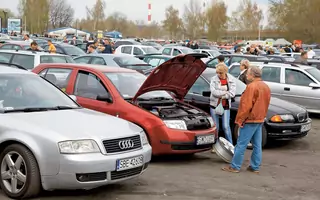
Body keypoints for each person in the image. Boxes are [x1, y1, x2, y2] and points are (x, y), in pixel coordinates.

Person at [222, 65, 271, 174]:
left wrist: (240, 120)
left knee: (241, 144)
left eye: (248, 73)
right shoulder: (265, 86)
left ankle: (235, 166)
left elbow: (246, 106)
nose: (246, 75)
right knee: (257, 145)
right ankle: (255, 167)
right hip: (259, 119)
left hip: (250, 119)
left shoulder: (251, 87)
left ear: (252, 75)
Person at [209, 63, 236, 144]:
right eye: (217, 72)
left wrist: (223, 96)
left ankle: (230, 145)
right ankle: (216, 145)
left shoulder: (231, 79)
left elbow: (232, 94)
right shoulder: (214, 79)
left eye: (220, 73)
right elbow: (213, 92)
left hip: (226, 106)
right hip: (214, 105)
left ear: (225, 72)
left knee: (226, 127)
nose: (218, 74)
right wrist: (225, 92)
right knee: (216, 127)